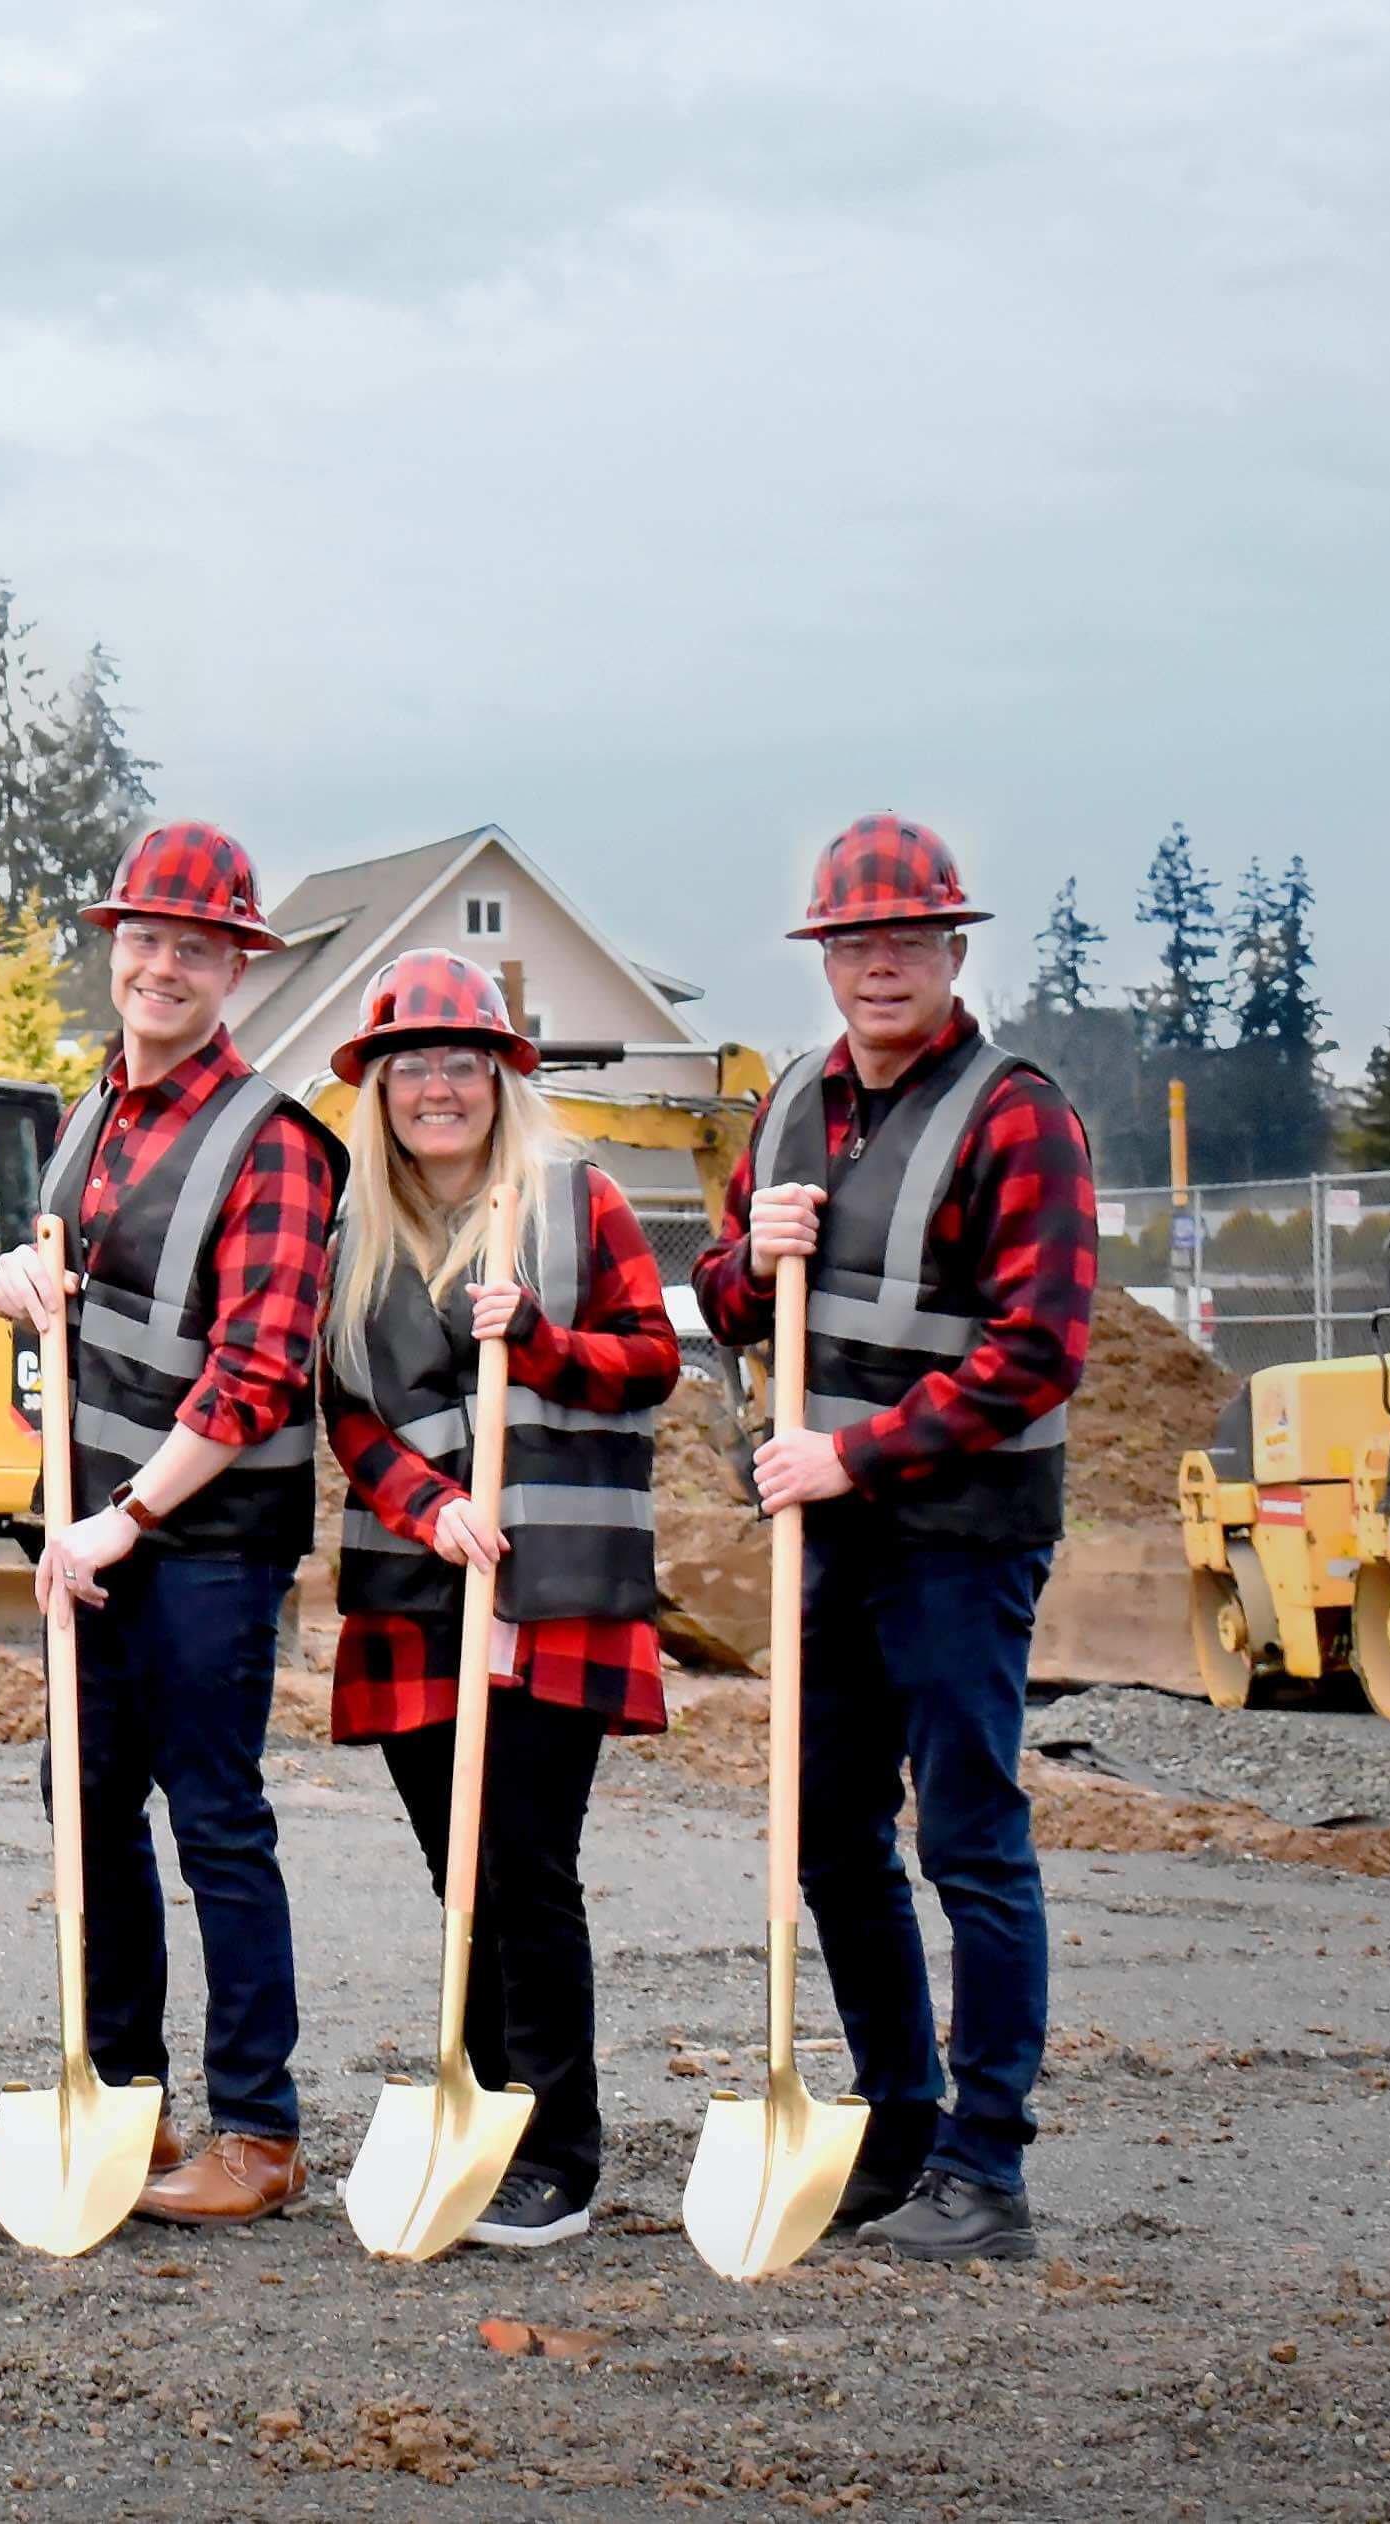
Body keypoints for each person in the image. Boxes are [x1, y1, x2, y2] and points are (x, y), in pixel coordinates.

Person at [694, 815, 1095, 2264]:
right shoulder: (793, 1100)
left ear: (952, 950)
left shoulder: (1016, 1112)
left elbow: (1040, 1349)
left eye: (905, 943)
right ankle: (899, 2123)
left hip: (960, 1532)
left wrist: (850, 1453)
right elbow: (723, 1296)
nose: (878, 967)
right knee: (827, 1833)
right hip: (836, 1531)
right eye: (853, 945)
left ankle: (987, 2171)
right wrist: (755, 1260)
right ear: (825, 957)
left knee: (971, 1837)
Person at [0, 823, 343, 2228]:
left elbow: (255, 1371)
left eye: (197, 947)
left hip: (200, 1540)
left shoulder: (273, 1143)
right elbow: (88, 1288)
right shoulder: (96, 1111)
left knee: (216, 1822)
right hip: (97, 1532)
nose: (165, 965)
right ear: (115, 949)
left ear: (237, 968)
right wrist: (28, 1275)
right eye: (146, 940)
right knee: (86, 1812)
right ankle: (125, 2104)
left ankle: (258, 2131)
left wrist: (126, 1517)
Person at [311, 952, 677, 2251]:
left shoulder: (579, 1200)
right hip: (420, 1598)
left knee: (527, 1868)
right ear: (382, 1089)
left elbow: (652, 1365)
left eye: (463, 1064)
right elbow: (345, 1412)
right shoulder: (355, 1230)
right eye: (414, 1069)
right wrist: (427, 1501)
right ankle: (484, 2113)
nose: (439, 1089)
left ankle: (559, 2154)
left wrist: (544, 1341)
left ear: (501, 1077)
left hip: (557, 1597)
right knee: (455, 1875)